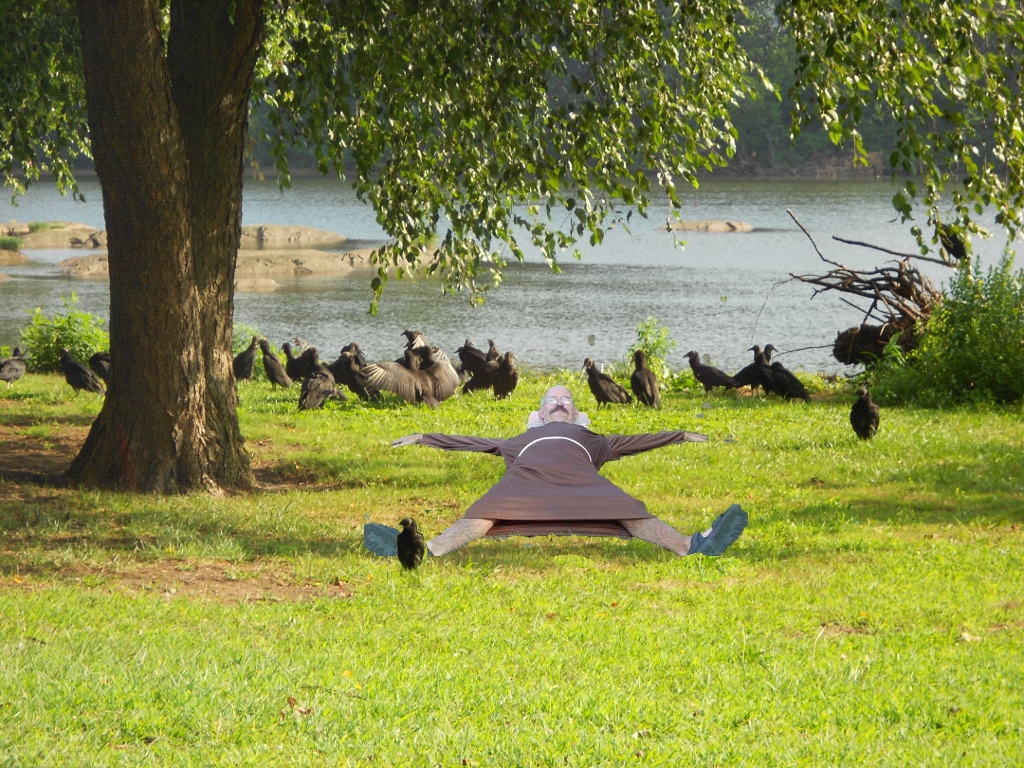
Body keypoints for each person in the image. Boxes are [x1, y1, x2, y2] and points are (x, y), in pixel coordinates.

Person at [391, 385, 747, 557]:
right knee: (484, 515)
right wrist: (424, 436)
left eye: (566, 400)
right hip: (525, 481)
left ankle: (691, 546)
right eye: (552, 400)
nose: (559, 402)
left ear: (575, 414)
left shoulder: (591, 439)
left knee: (627, 511)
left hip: (584, 484)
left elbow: (637, 441)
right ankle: (428, 549)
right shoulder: (519, 441)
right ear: (541, 415)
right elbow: (473, 442)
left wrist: (680, 434)